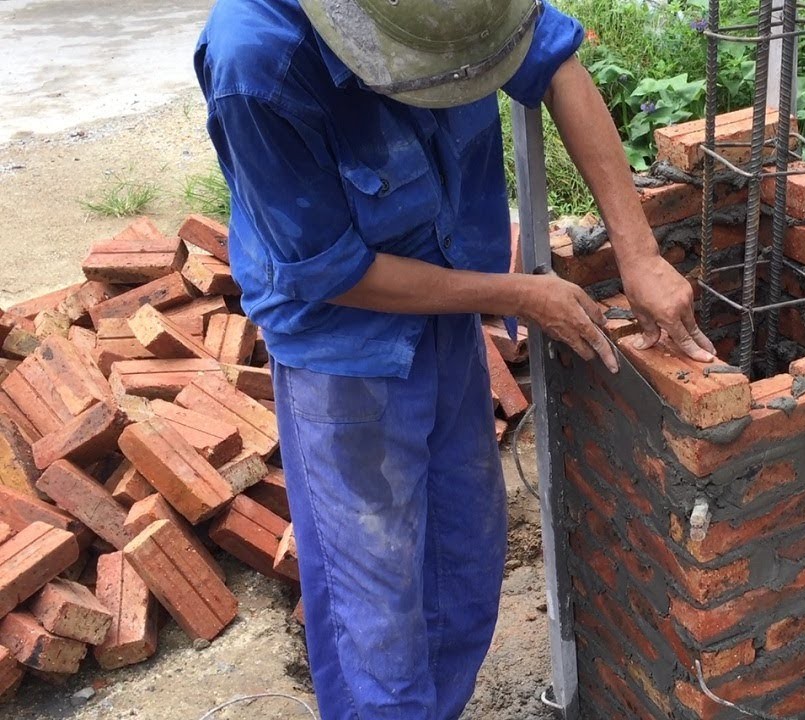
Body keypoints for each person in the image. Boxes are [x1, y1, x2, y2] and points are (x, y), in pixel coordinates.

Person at [194, 0, 715, 717]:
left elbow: (556, 63)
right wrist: (519, 296)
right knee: (375, 610)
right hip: (343, 350)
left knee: (463, 566)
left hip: (445, 313)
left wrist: (640, 250)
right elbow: (332, 270)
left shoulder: (464, 7)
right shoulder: (256, 62)